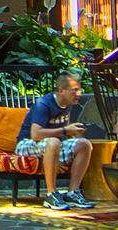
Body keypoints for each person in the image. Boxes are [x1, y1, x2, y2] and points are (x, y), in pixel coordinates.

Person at [16, 71, 95, 210]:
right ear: (61, 90)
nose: (79, 94)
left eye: (79, 90)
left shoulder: (68, 103)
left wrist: (72, 132)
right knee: (53, 142)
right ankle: (51, 195)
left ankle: (72, 192)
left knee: (84, 144)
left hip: (52, 146)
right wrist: (65, 131)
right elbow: (35, 134)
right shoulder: (43, 104)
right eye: (74, 90)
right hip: (26, 145)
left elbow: (62, 131)